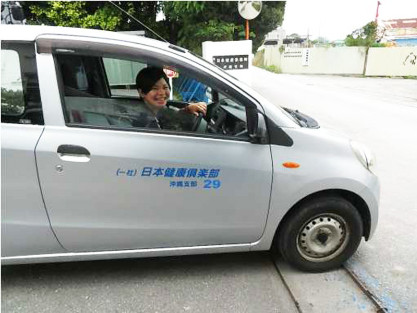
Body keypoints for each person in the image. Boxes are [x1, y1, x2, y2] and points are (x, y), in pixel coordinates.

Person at [134, 66, 207, 129]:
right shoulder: (137, 119)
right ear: (142, 92)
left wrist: (188, 109)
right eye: (155, 88)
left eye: (165, 87)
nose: (162, 93)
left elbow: (175, 115)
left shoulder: (161, 110)